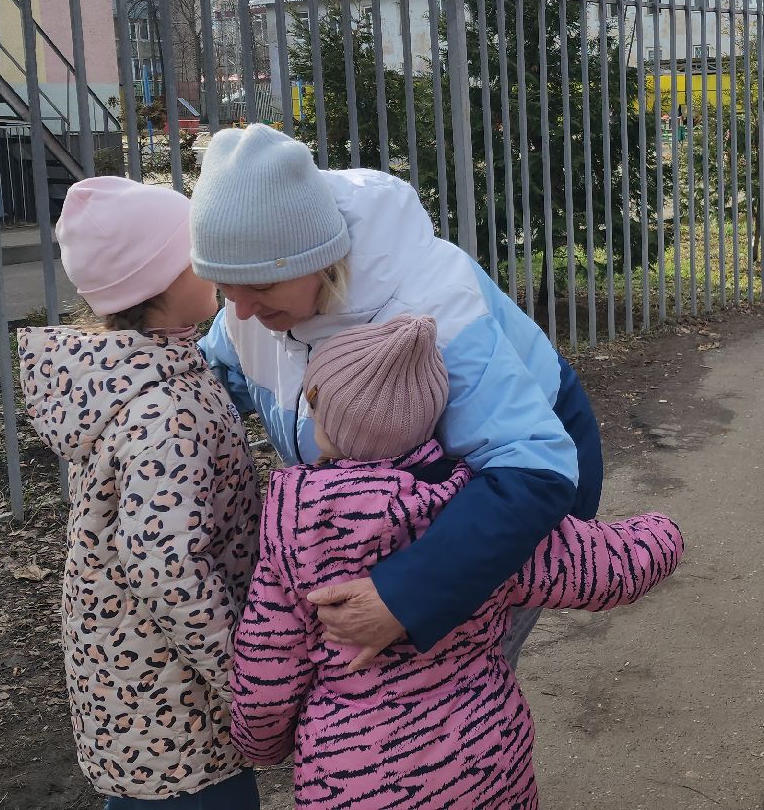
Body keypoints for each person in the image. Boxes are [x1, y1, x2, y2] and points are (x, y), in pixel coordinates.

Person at [189, 123, 605, 670]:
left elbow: (534, 470)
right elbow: (221, 372)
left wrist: (405, 595)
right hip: (404, 505)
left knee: (452, 686)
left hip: (519, 500)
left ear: (320, 260)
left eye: (260, 287)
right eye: (224, 287)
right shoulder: (261, 293)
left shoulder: (433, 305)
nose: (239, 311)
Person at [228, 315, 682, 807]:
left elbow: (267, 661)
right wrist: (664, 533)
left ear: (328, 423)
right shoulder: (477, 519)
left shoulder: (297, 526)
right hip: (483, 760)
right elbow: (603, 567)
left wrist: (263, 745)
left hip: (354, 775)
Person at [15, 177, 261, 810]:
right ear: (163, 281)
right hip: (174, 705)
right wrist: (248, 680)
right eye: (199, 251)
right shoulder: (162, 413)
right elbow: (166, 564)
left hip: (140, 684)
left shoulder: (148, 367)